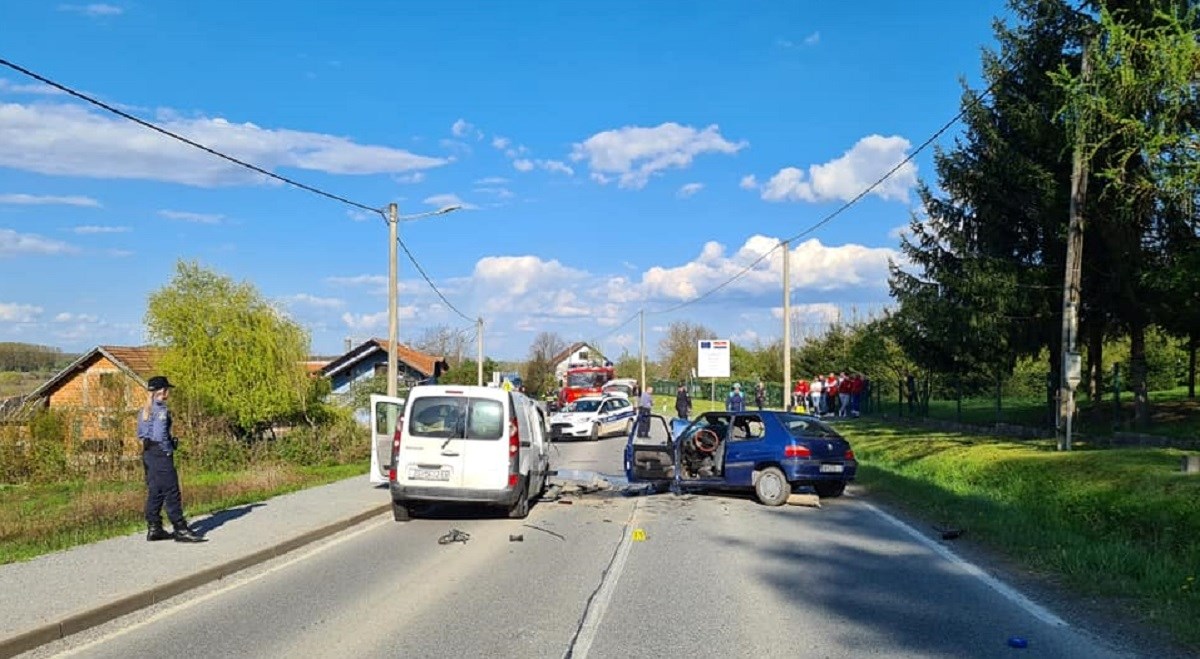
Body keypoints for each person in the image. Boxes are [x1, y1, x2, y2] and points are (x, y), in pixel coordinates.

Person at [137, 376, 205, 543]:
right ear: (163, 391)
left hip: (148, 454)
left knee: (156, 490)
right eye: (167, 390)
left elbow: (141, 436)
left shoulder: (144, 410)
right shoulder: (160, 410)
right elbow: (160, 435)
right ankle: (180, 528)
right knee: (172, 491)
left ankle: (154, 527)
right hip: (161, 454)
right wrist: (168, 450)